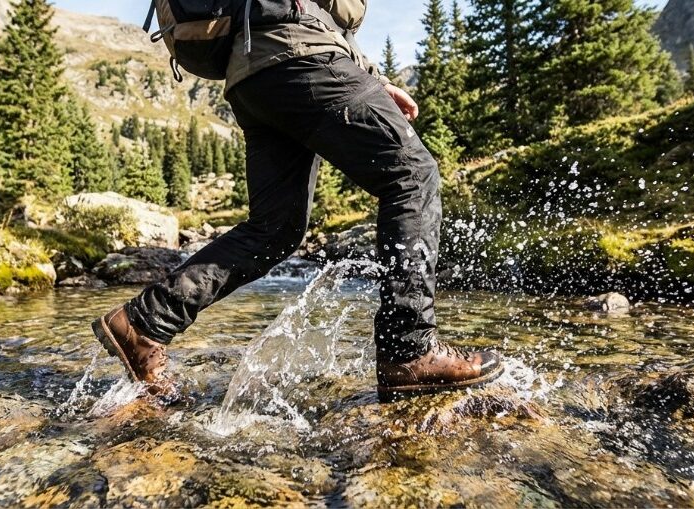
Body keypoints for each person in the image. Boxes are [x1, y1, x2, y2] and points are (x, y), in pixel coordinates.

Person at [93, 0, 502, 402]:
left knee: (276, 228)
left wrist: (371, 77)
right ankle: (409, 350)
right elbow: (321, 15)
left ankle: (145, 321)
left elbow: (324, 16)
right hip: (298, 55)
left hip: (253, 76)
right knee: (413, 175)